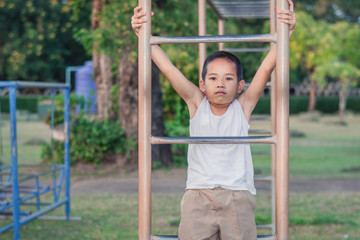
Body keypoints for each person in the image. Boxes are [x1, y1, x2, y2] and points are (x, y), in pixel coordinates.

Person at [132, 1, 296, 239]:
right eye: (213, 78)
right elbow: (168, 69)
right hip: (198, 195)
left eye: (229, 78)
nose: (220, 83)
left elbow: (266, 68)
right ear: (202, 84)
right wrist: (142, 34)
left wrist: (285, 34)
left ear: (240, 86)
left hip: (237, 195)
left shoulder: (243, 107)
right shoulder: (197, 104)